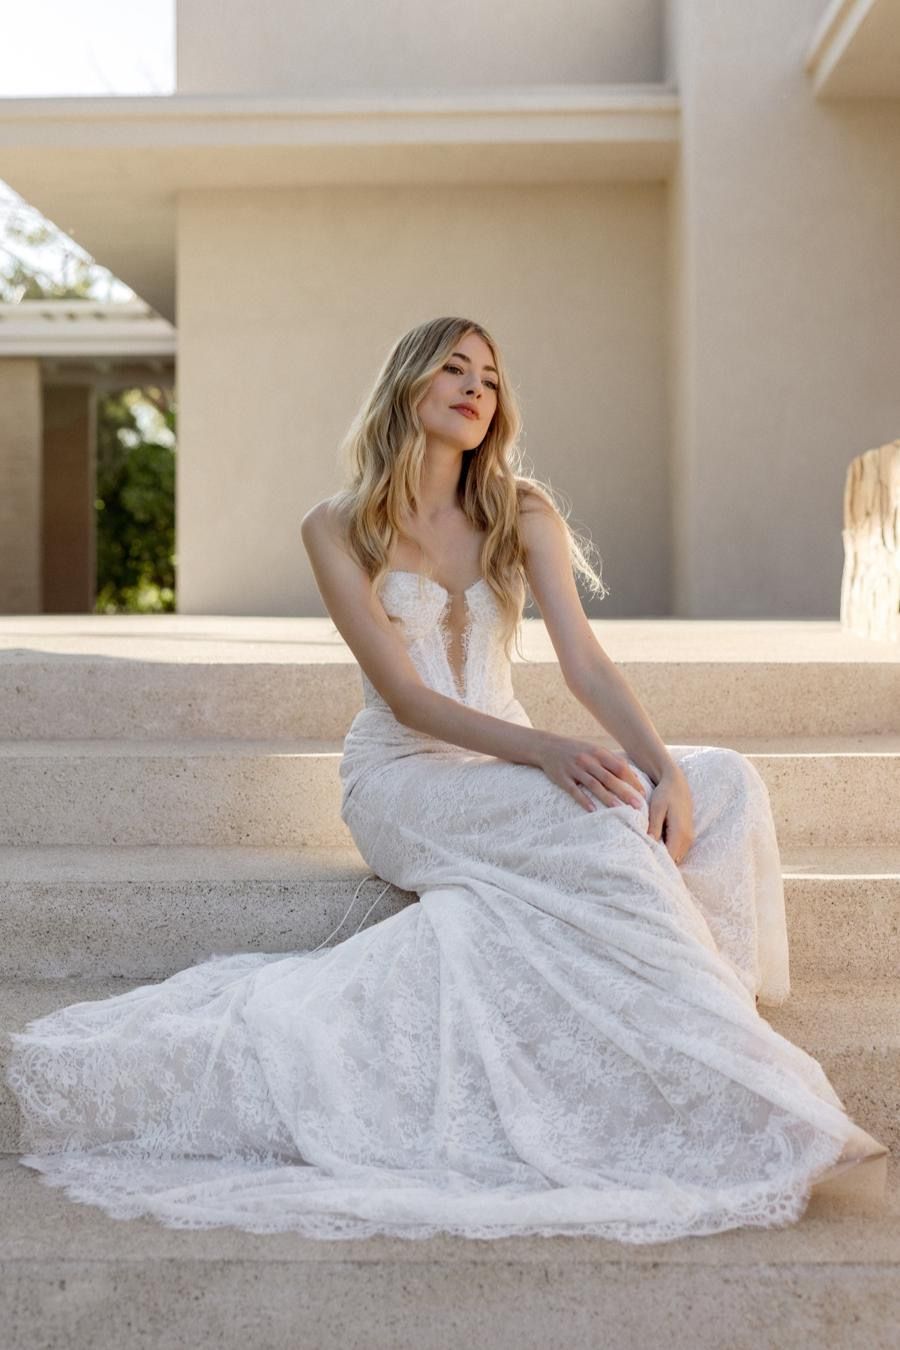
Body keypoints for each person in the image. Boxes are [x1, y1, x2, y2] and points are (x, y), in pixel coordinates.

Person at [5, 316, 887, 1243]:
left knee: (728, 782)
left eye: (492, 379)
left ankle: (693, 1019)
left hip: (506, 761)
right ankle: (751, 1092)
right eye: (455, 369)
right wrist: (547, 752)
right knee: (597, 824)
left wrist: (664, 766)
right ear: (410, 385)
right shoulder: (338, 525)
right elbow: (407, 699)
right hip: (407, 780)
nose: (476, 389)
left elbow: (584, 666)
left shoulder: (523, 509)